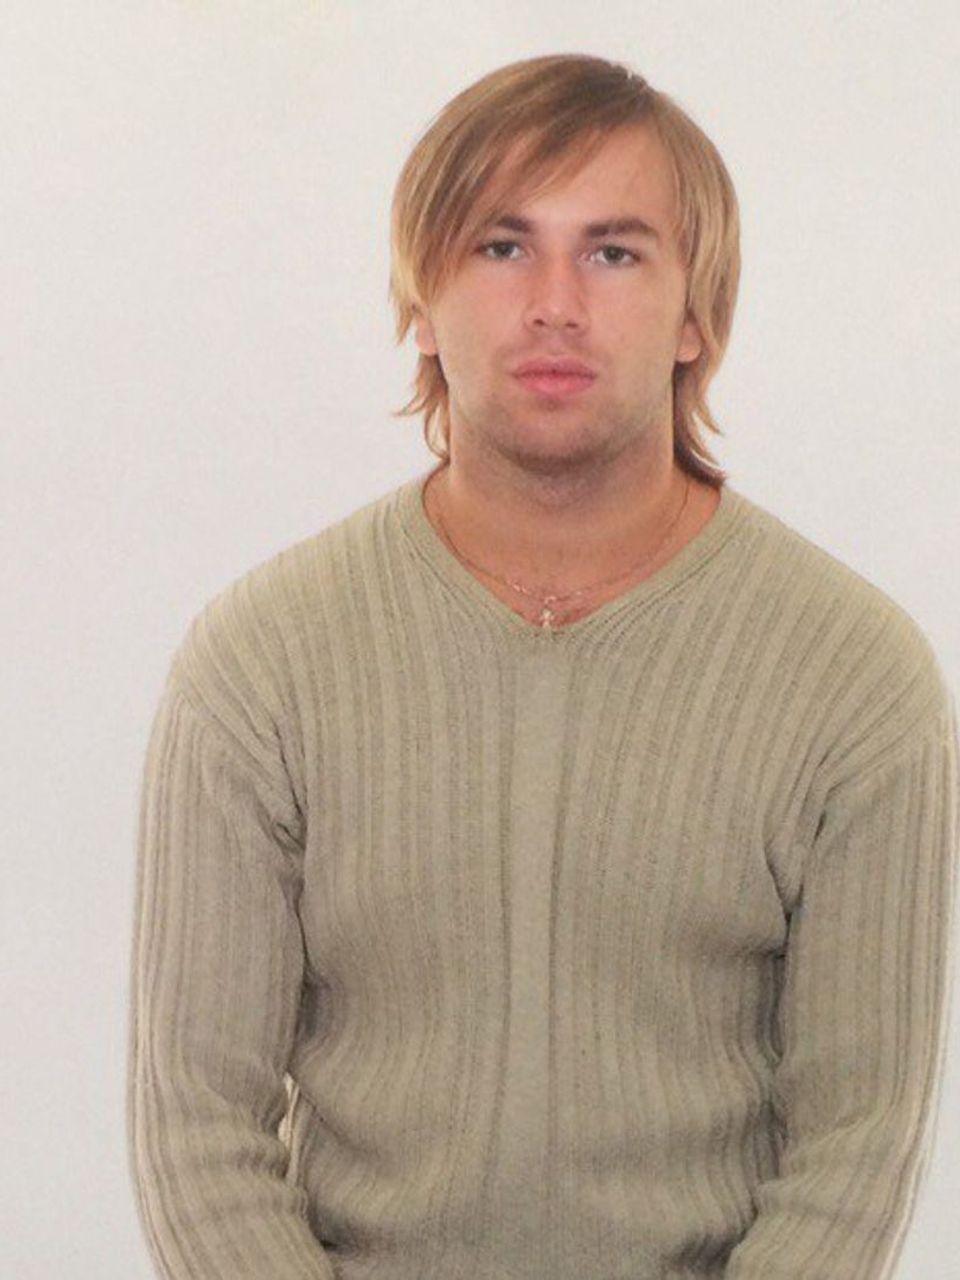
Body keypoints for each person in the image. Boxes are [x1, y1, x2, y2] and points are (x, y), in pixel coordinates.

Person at [126, 53, 958, 1279]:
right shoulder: (260, 664)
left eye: (614, 251)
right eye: (502, 246)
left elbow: (855, 1149)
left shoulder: (854, 678)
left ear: (696, 314)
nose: (555, 303)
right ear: (422, 299)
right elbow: (196, 1127)